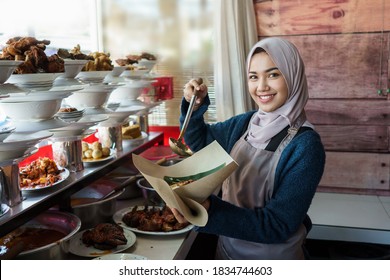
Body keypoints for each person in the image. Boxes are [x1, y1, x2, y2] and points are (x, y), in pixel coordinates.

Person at [172, 37, 326, 260]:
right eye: (254, 77)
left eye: (273, 74)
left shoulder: (305, 147)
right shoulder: (245, 124)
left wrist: (209, 210)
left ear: (292, 76)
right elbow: (200, 141)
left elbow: (277, 225)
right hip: (227, 252)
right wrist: (193, 106)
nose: (261, 86)